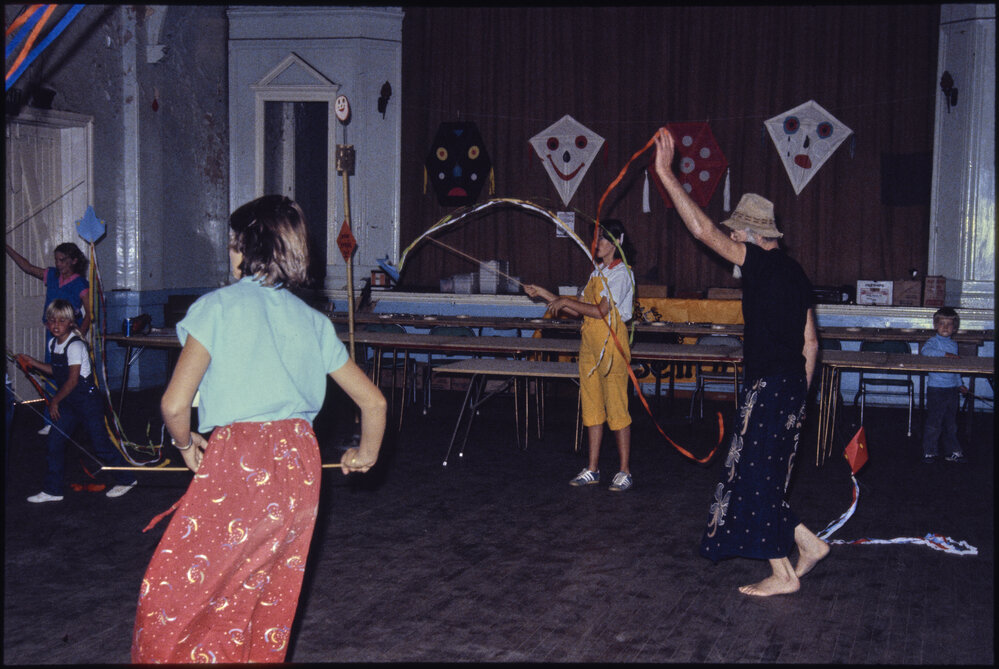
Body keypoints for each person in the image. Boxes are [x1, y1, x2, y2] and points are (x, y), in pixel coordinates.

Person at [131, 194, 387, 663]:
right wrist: (363, 455)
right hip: (299, 467)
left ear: (247, 247)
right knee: (264, 598)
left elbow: (173, 403)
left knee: (171, 595)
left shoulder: (217, 308)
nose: (228, 253)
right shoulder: (313, 322)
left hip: (241, 460)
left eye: (232, 244)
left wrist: (185, 443)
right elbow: (374, 402)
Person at [653, 128, 828, 596]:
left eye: (738, 232)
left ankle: (782, 574)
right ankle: (808, 545)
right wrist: (799, 395)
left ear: (752, 235)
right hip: (790, 386)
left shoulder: (760, 264)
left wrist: (666, 175)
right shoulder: (795, 273)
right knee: (762, 474)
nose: (733, 237)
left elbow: (702, 230)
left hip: (771, 388)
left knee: (753, 477)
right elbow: (811, 343)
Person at [524, 219, 636, 492]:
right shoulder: (597, 272)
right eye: (596, 239)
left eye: (604, 240)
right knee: (592, 406)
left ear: (617, 242)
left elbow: (601, 310)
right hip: (589, 345)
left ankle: (624, 471)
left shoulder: (622, 273)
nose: (597, 244)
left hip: (611, 346)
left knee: (617, 408)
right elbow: (577, 310)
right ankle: (593, 469)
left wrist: (565, 301)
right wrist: (545, 294)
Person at [16, 299, 138, 503]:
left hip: (87, 401)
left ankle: (127, 479)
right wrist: (32, 362)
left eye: (62, 321)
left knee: (100, 445)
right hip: (69, 402)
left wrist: (54, 401)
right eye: (52, 320)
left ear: (71, 323)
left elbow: (72, 380)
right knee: (54, 442)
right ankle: (52, 490)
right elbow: (57, 370)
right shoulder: (54, 342)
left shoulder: (75, 345)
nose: (56, 325)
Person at [7, 241, 91, 435]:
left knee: (68, 377)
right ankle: (50, 419)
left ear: (74, 261)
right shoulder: (52, 275)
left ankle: (70, 420)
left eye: (62, 260)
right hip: (51, 333)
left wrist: (81, 335)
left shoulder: (80, 283)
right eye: (56, 260)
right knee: (51, 375)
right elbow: (26, 267)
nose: (59, 264)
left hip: (69, 335)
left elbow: (89, 313)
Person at [920, 307, 968, 464]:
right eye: (942, 323)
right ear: (935, 325)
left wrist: (960, 384)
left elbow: (955, 368)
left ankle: (954, 451)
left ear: (954, 328)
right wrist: (945, 355)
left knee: (951, 423)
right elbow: (926, 352)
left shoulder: (953, 344)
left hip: (952, 390)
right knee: (934, 422)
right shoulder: (933, 342)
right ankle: (929, 451)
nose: (945, 327)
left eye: (949, 324)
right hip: (936, 389)